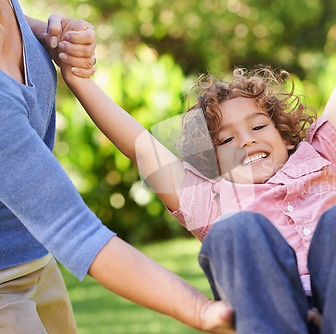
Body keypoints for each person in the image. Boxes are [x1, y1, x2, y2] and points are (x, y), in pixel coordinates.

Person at [59, 15, 336, 332]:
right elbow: (140, 147)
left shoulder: (320, 155)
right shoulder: (209, 198)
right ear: (213, 163)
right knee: (237, 229)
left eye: (258, 125)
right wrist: (79, 81)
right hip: (268, 313)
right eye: (226, 139)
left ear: (283, 134)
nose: (246, 139)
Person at [0, 0, 234, 333]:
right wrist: (203, 311)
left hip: (37, 260)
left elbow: (17, 23)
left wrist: (50, 36)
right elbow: (77, 233)